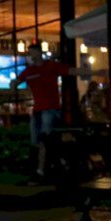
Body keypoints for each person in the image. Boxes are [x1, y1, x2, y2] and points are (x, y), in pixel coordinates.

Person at [10, 46, 90, 181]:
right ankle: (52, 165)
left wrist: (94, 72)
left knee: (44, 139)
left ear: (38, 53)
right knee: (38, 140)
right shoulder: (29, 71)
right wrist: (13, 85)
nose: (29, 55)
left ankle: (41, 170)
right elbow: (16, 81)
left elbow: (71, 71)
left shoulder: (50, 67)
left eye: (31, 52)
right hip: (38, 110)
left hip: (50, 109)